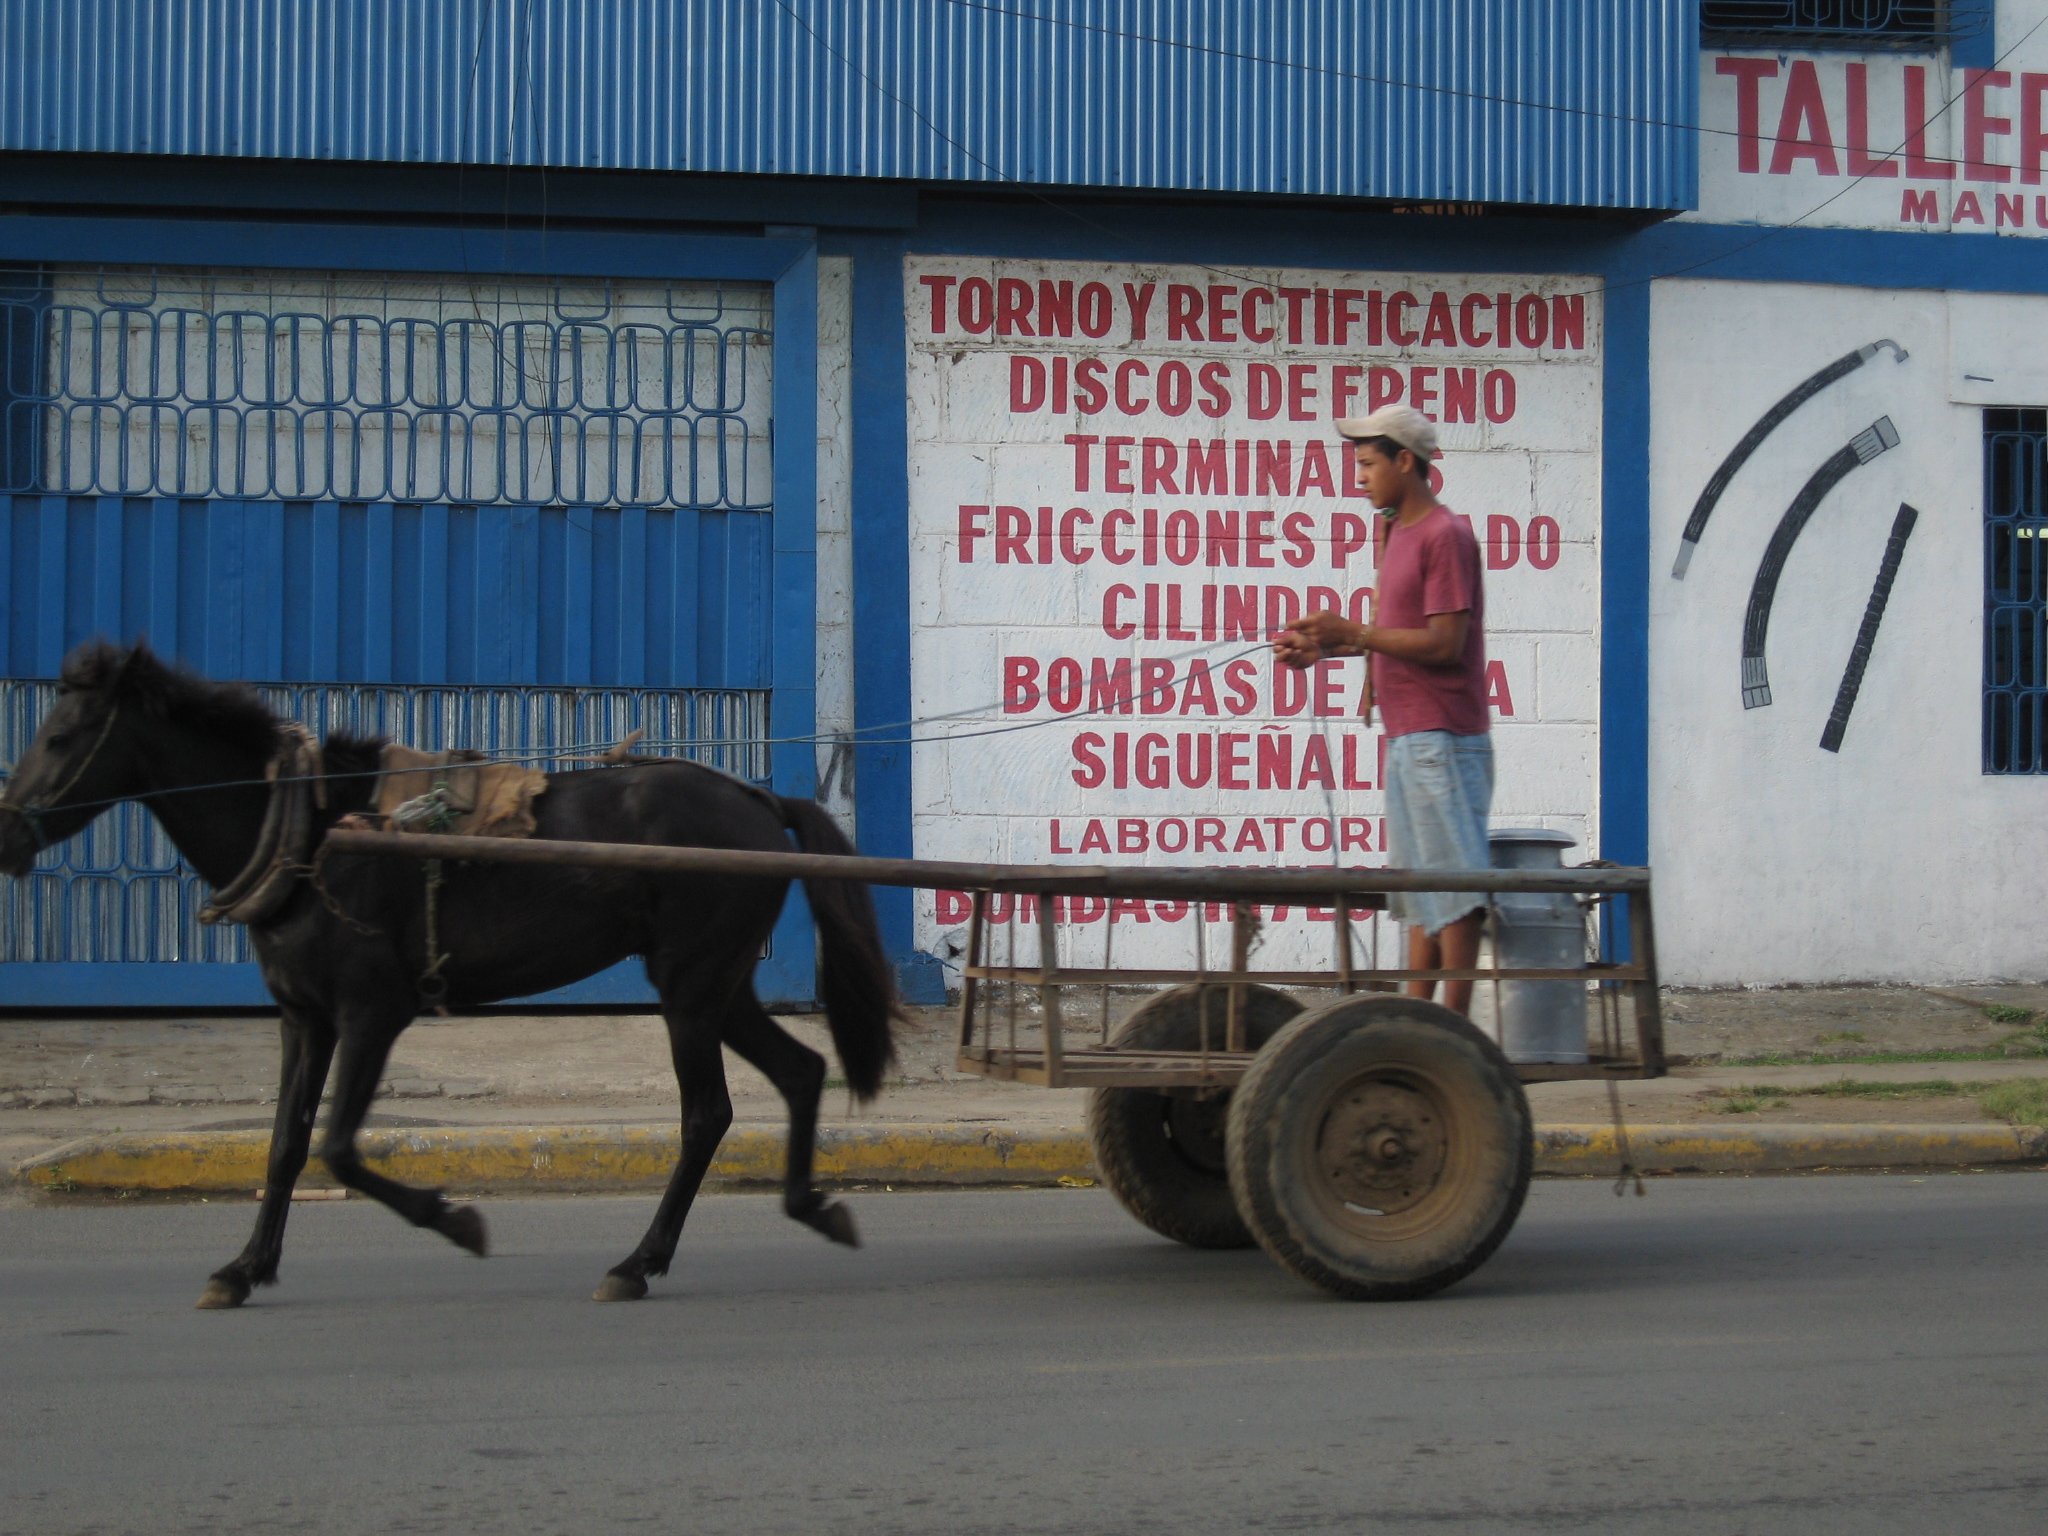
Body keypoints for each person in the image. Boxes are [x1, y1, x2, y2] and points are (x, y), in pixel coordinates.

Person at [1273, 404, 1492, 1016]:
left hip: (1444, 736)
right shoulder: (1396, 529)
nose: (1360, 477)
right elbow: (1391, 637)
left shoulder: (1445, 535)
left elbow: (1445, 644)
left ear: (1405, 461)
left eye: (1368, 464)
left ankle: (1451, 1030)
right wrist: (1321, 646)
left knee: (1456, 891)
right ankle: (1414, 1021)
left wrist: (1358, 634)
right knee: (1421, 896)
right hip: (1410, 736)